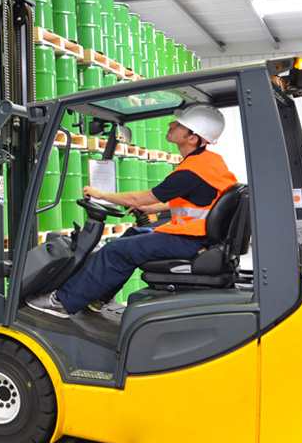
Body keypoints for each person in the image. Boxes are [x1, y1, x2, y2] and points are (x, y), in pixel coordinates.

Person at [27, 104, 237, 317]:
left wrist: (101, 194)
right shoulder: (208, 163)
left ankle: (62, 301)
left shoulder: (191, 171)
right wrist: (145, 207)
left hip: (191, 241)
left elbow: (143, 196)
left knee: (114, 251)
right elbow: (193, 200)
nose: (171, 125)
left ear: (192, 138)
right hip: (197, 238)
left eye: (179, 124)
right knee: (132, 234)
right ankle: (98, 298)